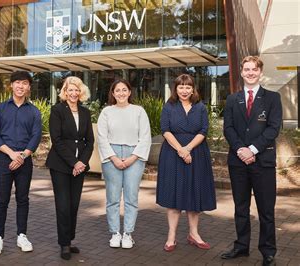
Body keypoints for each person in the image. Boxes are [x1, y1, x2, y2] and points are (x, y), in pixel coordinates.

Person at [221, 56, 282, 266]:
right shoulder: (231, 99)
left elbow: (274, 128)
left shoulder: (273, 98)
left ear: (260, 72)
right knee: (241, 207)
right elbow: (227, 128)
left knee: (266, 210)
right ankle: (241, 246)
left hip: (263, 162)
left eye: (254, 69)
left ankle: (268, 251)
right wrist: (240, 149)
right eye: (246, 69)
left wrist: (253, 149)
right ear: (241, 72)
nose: (250, 72)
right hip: (238, 162)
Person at [156, 74, 216, 252]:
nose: (184, 90)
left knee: (194, 194)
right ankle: (171, 237)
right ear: (176, 89)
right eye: (181, 87)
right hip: (172, 154)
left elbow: (204, 130)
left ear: (193, 89)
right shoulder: (169, 107)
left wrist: (188, 148)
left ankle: (194, 234)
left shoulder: (200, 107)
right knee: (174, 196)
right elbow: (165, 130)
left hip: (196, 153)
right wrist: (181, 150)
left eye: (187, 87)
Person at [0, 71, 42, 256]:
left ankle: (22, 235)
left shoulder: (34, 111)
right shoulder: (0, 109)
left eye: (25, 83)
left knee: (23, 199)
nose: (21, 86)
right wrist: (12, 154)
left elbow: (36, 136)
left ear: (28, 87)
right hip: (5, 159)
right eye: (17, 83)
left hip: (24, 161)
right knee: (2, 200)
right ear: (11, 85)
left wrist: (22, 157)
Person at [97, 79, 151, 249]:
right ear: (113, 93)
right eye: (117, 90)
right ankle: (115, 233)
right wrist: (113, 158)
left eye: (124, 90)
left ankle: (128, 233)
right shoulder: (106, 112)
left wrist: (132, 158)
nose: (121, 93)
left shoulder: (139, 111)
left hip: (134, 156)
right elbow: (101, 138)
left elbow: (145, 137)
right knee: (112, 198)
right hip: (111, 155)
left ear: (129, 92)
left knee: (131, 198)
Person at [46, 76, 94, 260]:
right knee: (64, 205)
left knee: (74, 205)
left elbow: (90, 141)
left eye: (76, 90)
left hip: (79, 166)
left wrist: (81, 162)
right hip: (60, 165)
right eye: (70, 90)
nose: (73, 93)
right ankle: (64, 243)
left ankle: (70, 239)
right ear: (64, 92)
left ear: (81, 92)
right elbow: (56, 140)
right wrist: (73, 162)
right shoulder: (57, 110)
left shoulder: (85, 112)